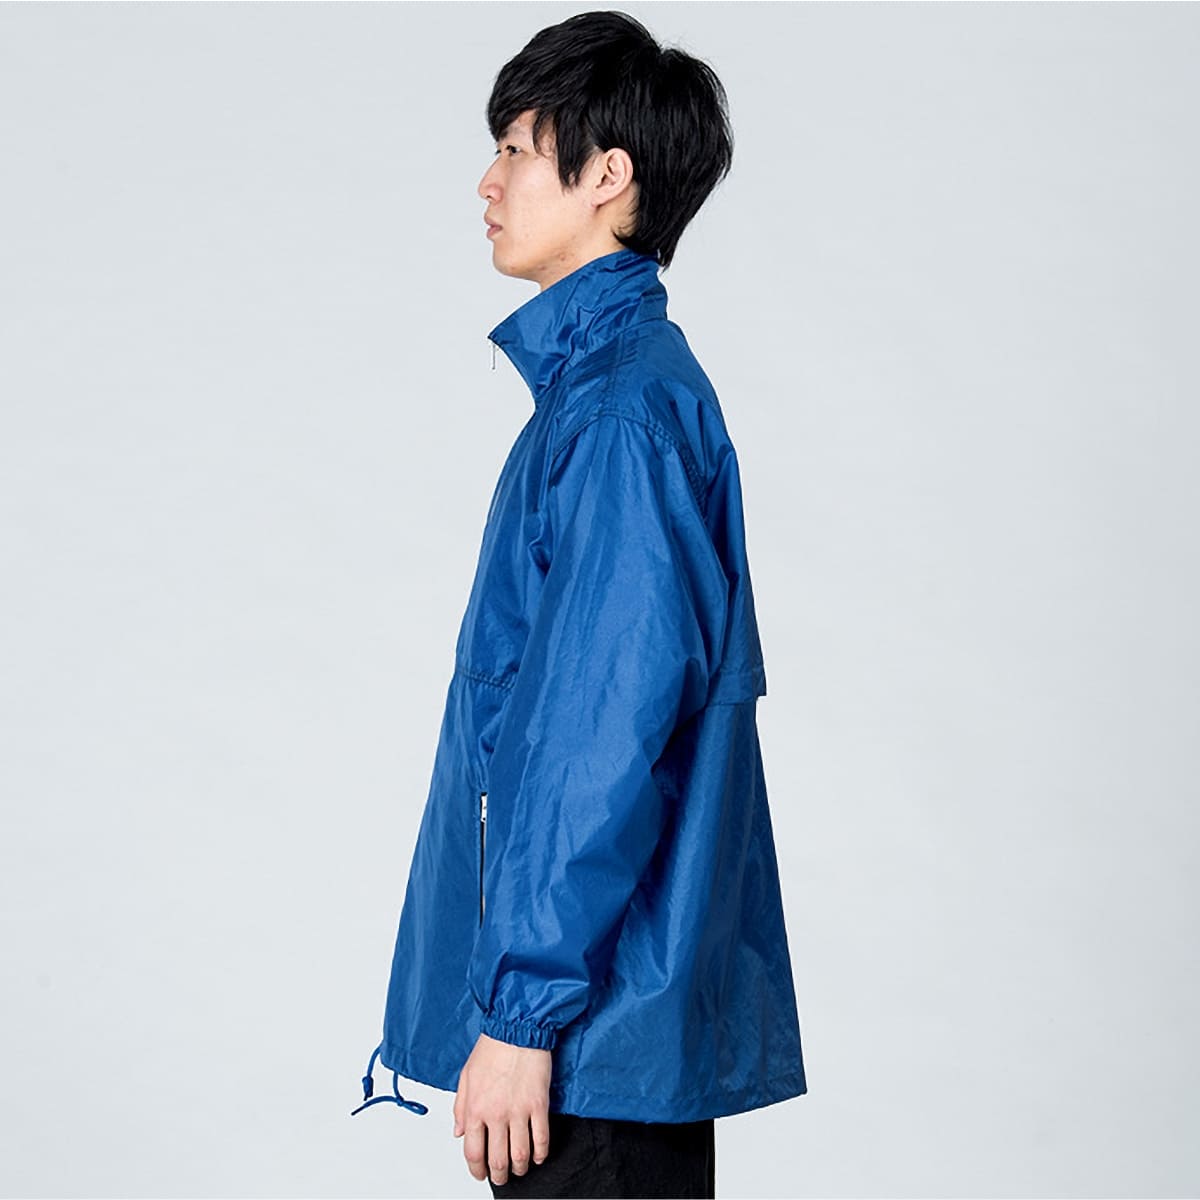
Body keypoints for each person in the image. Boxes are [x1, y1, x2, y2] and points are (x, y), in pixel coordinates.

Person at [351, 11, 807, 1197]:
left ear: (608, 175)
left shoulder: (616, 417)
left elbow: (598, 738)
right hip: (603, 1038)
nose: (487, 181)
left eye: (515, 147)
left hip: (589, 1046)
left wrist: (521, 1018)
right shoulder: (606, 399)